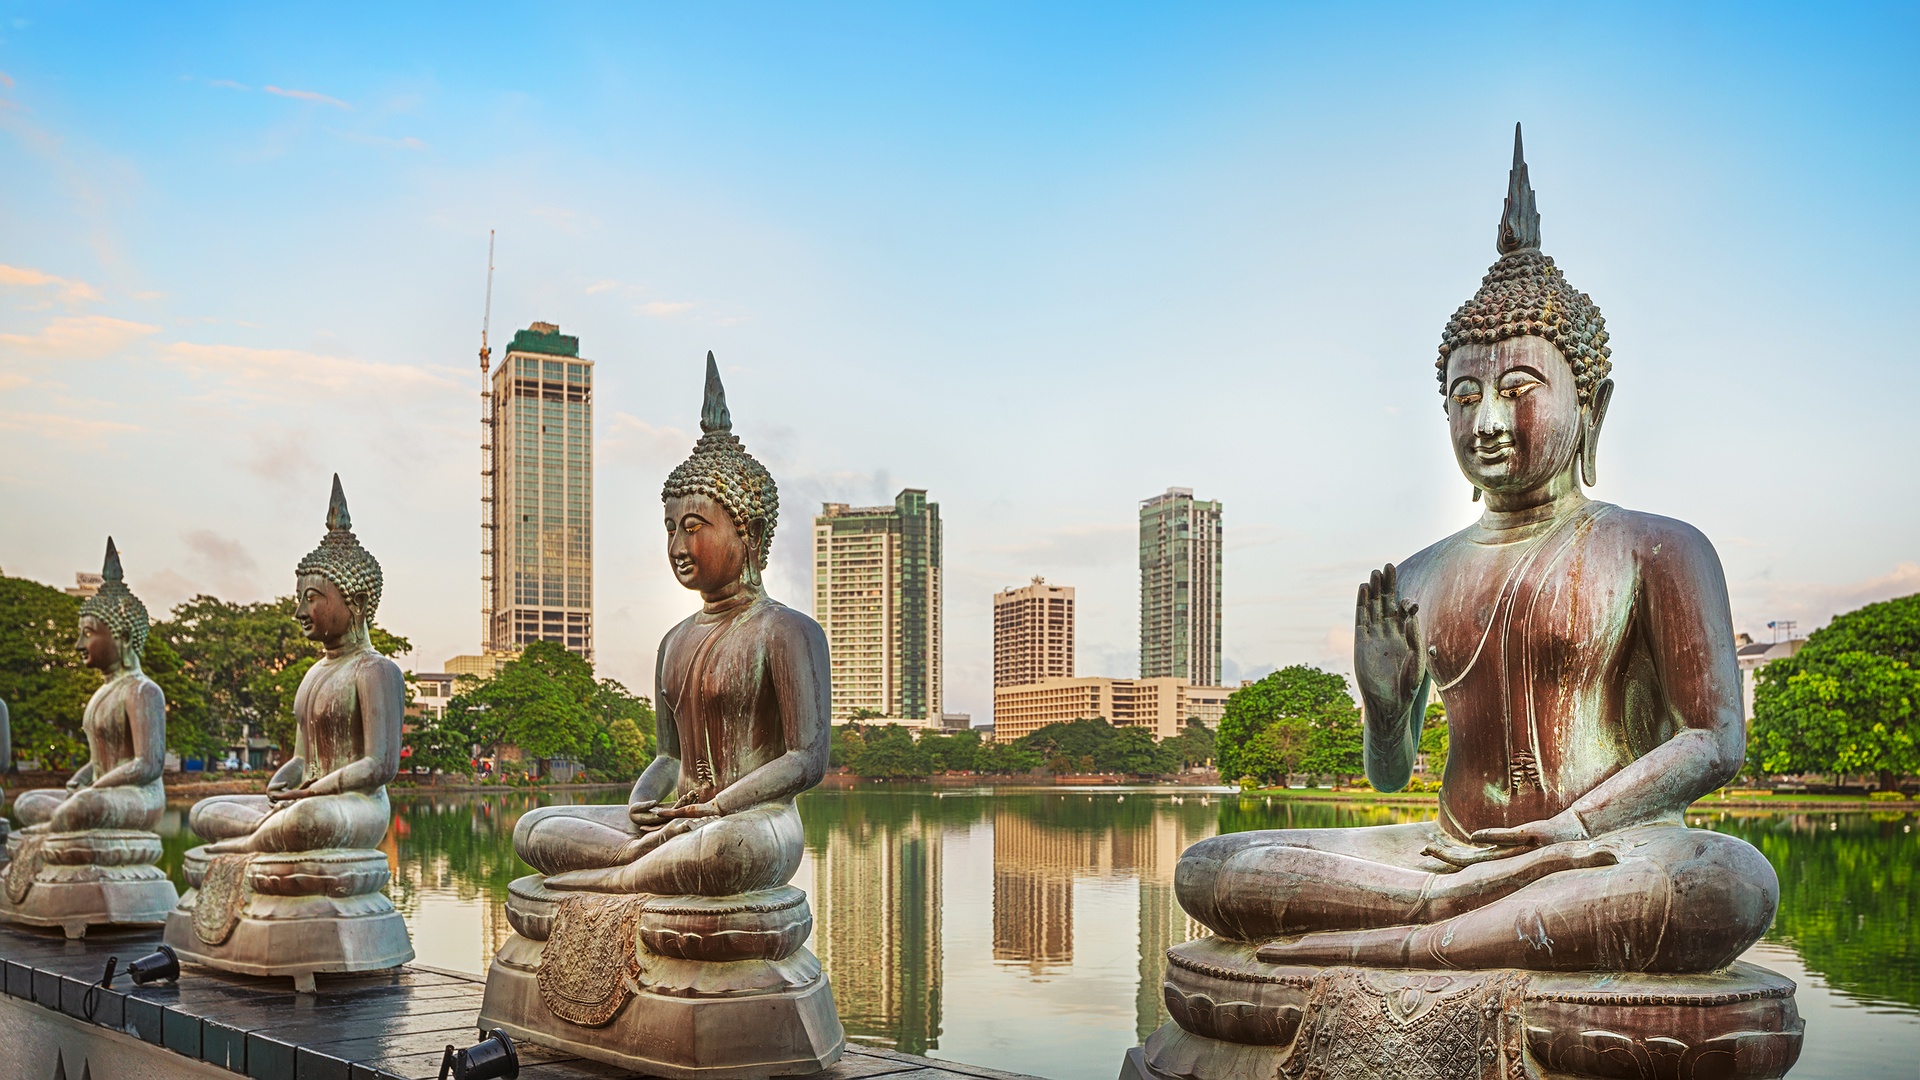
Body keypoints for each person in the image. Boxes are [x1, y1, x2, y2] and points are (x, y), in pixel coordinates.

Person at [1175, 127, 1777, 974]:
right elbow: (1391, 778)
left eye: (1518, 390)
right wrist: (1385, 710)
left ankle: (1414, 938)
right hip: (1445, 854)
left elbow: (1715, 740)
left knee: (1724, 883)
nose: (1487, 421)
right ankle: (1450, 917)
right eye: (1465, 397)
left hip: (1601, 853)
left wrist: (1574, 828)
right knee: (1211, 867)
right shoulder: (1420, 574)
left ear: (1592, 405)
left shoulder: (1657, 549)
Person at [512, 354, 831, 897]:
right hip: (676, 820)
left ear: (750, 532)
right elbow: (669, 756)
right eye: (670, 529)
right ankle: (638, 860)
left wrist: (719, 807)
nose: (679, 546)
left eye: (694, 527)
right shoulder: (674, 642)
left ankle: (619, 874)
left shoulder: (786, 631)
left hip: (753, 821)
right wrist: (643, 804)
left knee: (723, 850)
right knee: (534, 827)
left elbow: (806, 759)